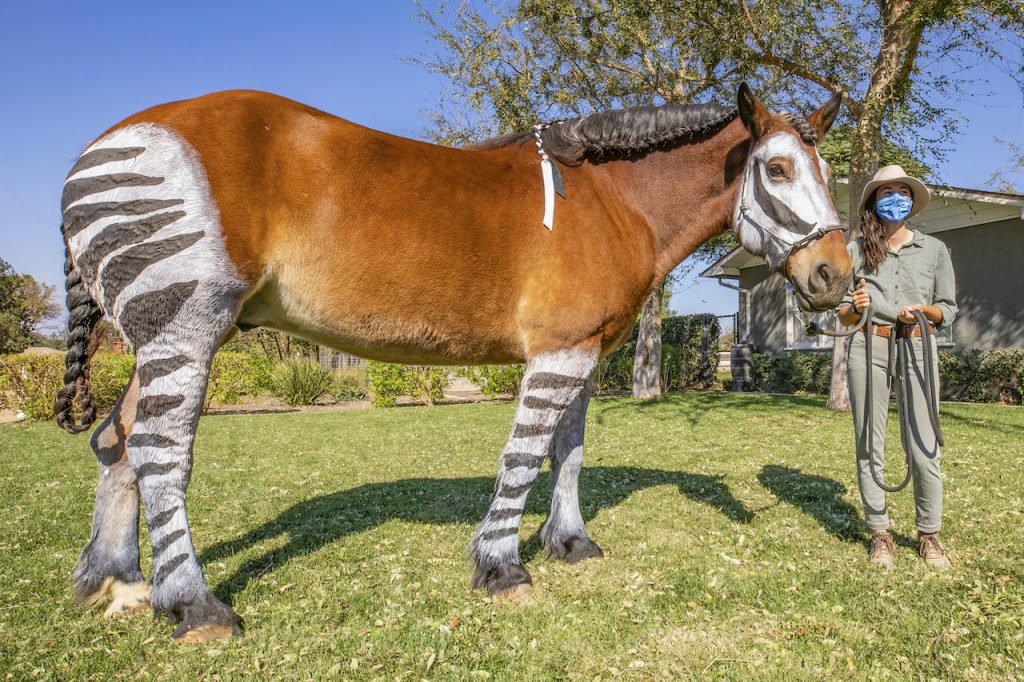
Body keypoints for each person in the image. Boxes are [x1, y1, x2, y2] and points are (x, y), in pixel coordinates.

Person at [837, 165, 957, 569]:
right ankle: (880, 533)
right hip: (869, 344)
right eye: (886, 191)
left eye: (901, 191)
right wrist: (855, 309)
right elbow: (842, 314)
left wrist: (928, 312)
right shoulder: (855, 249)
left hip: (919, 345)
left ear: (912, 200)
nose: (895, 198)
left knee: (924, 445)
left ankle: (929, 534)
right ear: (874, 200)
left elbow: (949, 309)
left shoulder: (935, 250)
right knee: (869, 442)